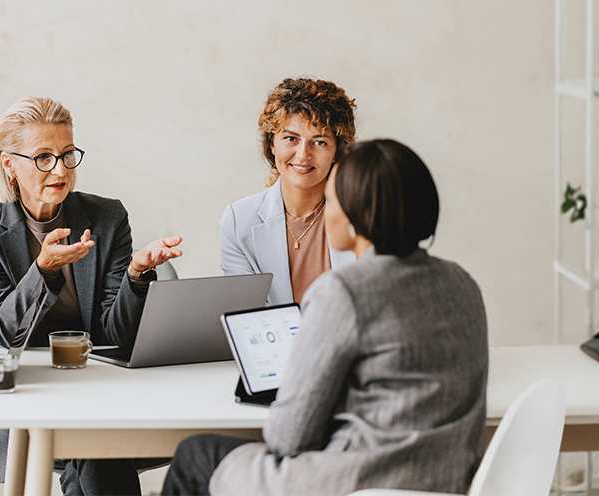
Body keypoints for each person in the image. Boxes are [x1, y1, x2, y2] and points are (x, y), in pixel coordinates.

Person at [162, 139, 488, 496]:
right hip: (448, 482)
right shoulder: (462, 283)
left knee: (196, 455)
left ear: (354, 217)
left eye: (330, 200)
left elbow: (288, 437)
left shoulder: (345, 290)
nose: (324, 209)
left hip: (357, 481)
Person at [0, 96, 183, 496]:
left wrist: (136, 275)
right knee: (96, 446)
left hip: (100, 386)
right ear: (9, 163)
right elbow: (2, 329)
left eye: (67, 155)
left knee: (92, 438)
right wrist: (42, 269)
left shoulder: (107, 217)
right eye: (43, 157)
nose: (60, 169)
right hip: (31, 392)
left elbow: (114, 333)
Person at [219, 77, 358, 304]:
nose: (303, 155)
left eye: (320, 142)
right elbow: (246, 317)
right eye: (291, 138)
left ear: (337, 151)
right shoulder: (238, 221)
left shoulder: (363, 214)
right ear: (272, 144)